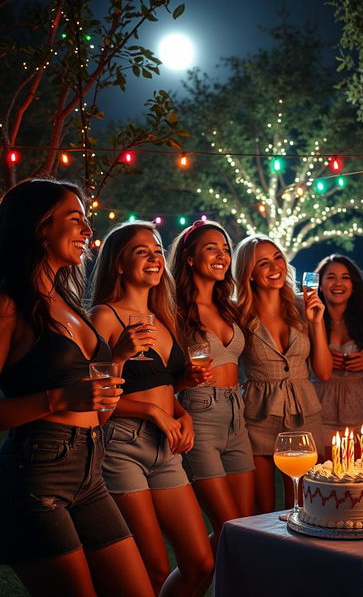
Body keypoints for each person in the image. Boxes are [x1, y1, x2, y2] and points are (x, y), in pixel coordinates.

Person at [0, 179, 153, 597]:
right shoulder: (9, 305)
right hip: (37, 472)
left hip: (90, 465)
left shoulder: (69, 302)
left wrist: (117, 359)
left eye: (87, 221)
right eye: (76, 219)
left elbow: (97, 405)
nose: (88, 230)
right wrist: (61, 398)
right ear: (40, 227)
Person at [90, 221, 214, 596]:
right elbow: (94, 404)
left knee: (200, 563)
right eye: (141, 251)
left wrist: (182, 411)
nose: (155, 257)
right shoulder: (104, 317)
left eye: (158, 250)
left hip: (167, 447)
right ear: (119, 264)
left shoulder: (163, 318)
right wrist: (151, 411)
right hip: (122, 446)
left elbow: (158, 389)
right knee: (154, 568)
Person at [168, 220, 255, 551]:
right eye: (211, 248)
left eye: (225, 249)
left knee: (243, 529)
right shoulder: (173, 308)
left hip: (237, 413)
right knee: (231, 529)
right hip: (199, 412)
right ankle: (189, 578)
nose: (222, 256)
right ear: (189, 257)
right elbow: (157, 375)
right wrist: (184, 379)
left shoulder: (227, 305)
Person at [234, 234, 332, 513]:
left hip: (304, 412)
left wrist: (316, 323)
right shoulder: (237, 313)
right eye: (263, 263)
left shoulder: (304, 304)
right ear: (249, 273)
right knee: (262, 510)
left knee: (303, 506)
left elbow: (323, 372)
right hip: (258, 414)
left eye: (277, 258)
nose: (275, 266)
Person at [313, 254, 363, 460]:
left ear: (354, 284)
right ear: (320, 285)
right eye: (331, 277)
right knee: (326, 480)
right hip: (322, 409)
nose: (338, 283)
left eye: (345, 277)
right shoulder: (311, 318)